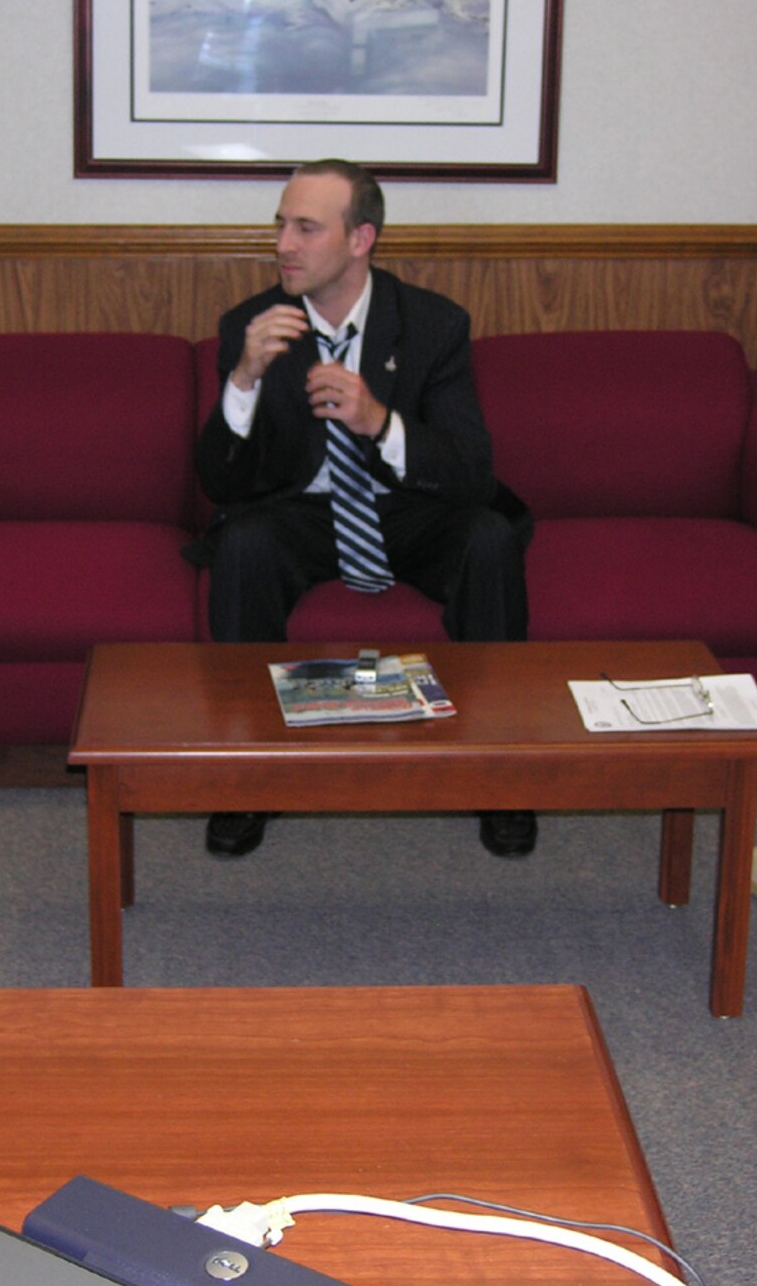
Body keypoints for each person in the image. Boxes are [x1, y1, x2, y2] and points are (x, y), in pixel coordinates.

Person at [188, 159, 533, 858]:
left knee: (487, 538)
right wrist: (243, 378)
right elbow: (219, 483)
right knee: (243, 543)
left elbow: (470, 470)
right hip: (304, 515)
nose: (283, 243)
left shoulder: (433, 326)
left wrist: (380, 422)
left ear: (360, 239)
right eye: (280, 224)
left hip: (406, 509)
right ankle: (248, 778)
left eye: (306, 227)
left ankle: (502, 776)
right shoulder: (251, 326)